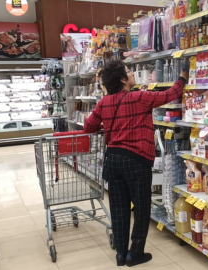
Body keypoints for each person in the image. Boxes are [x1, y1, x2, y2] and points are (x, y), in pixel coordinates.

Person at [84, 60, 188, 267]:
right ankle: (136, 253)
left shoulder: (104, 102)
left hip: (112, 159)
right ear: (123, 79)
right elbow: (170, 94)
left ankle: (121, 253)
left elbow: (89, 126)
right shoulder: (140, 97)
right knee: (141, 208)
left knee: (119, 208)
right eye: (129, 72)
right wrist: (183, 77)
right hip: (136, 159)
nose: (133, 74)